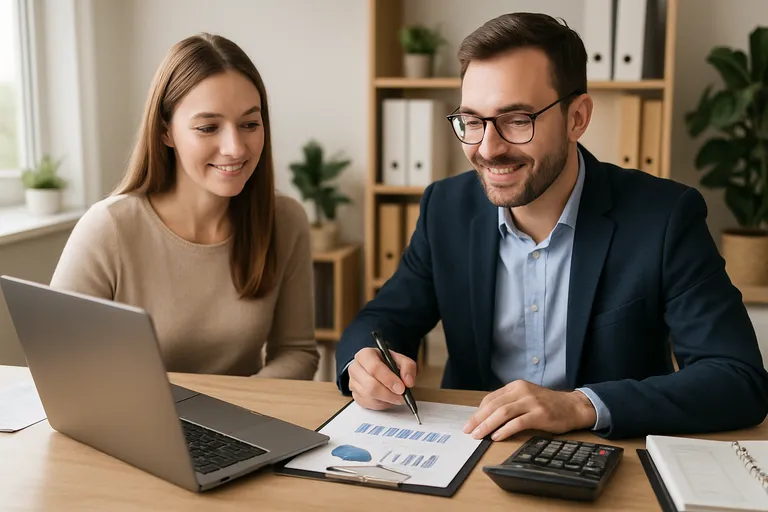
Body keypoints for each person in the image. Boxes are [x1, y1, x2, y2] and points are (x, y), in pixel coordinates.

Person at [336, 13, 768, 440]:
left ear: (577, 117)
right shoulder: (445, 208)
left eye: (517, 120)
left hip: (606, 458)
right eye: (471, 121)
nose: (487, 148)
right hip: (472, 450)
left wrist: (580, 405)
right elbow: (382, 319)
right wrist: (365, 362)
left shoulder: (665, 216)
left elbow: (737, 379)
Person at [51, 33, 319, 380]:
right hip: (131, 427)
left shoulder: (285, 220)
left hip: (243, 425)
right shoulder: (108, 228)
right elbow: (58, 362)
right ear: (166, 132)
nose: (235, 147)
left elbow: (297, 352)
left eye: (250, 124)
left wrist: (232, 415)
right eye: (208, 127)